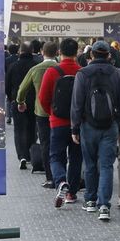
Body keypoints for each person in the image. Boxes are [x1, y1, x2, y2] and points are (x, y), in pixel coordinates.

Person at [70, 40, 120, 222]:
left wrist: (75, 127)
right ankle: (104, 206)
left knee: (89, 164)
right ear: (109, 55)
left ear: (92, 55)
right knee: (106, 166)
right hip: (110, 126)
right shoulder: (118, 74)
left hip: (88, 125)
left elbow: (77, 103)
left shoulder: (82, 74)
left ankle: (90, 201)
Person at [39, 38, 83, 208]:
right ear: (76, 52)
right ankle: (71, 193)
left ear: (60, 52)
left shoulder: (52, 71)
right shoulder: (81, 72)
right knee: (76, 157)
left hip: (57, 122)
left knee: (56, 156)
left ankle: (60, 181)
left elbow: (43, 98)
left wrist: (52, 113)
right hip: (77, 123)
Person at [17, 41, 59, 187]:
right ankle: (62, 173)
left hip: (41, 112)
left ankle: (50, 176)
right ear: (57, 52)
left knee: (45, 144)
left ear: (42, 52)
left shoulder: (36, 69)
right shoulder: (60, 68)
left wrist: (21, 102)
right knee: (61, 144)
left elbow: (22, 89)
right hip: (61, 113)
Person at [6, 42, 38, 170]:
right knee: (31, 127)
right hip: (33, 101)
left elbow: (7, 85)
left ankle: (22, 156)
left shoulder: (13, 66)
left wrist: (11, 98)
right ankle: (31, 153)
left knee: (19, 130)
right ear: (33, 51)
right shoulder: (36, 66)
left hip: (18, 101)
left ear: (20, 51)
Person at [4, 42, 20, 124]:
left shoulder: (6, 60)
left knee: (8, 99)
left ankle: (9, 117)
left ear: (9, 51)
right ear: (18, 51)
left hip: (9, 81)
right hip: (19, 80)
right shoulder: (19, 59)